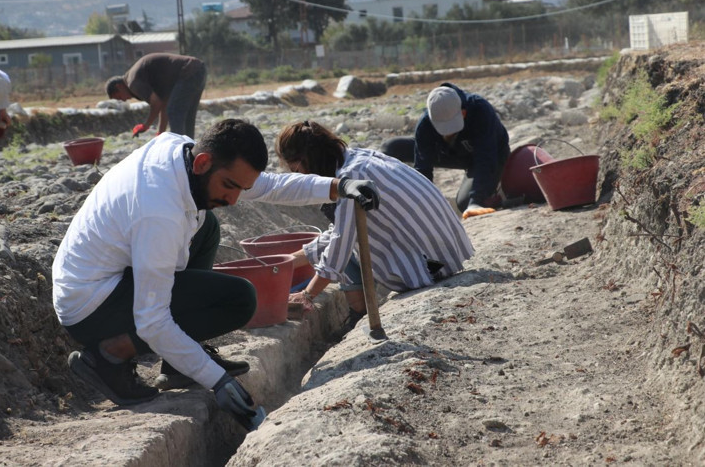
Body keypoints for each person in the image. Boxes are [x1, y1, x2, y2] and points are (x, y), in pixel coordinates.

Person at [51, 119, 379, 430]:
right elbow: (152, 319)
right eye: (230, 186)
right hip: (91, 305)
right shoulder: (158, 213)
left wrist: (338, 186)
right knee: (238, 300)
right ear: (202, 163)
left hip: (110, 274)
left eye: (240, 188)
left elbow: (269, 186)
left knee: (207, 225)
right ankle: (109, 355)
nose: (234, 199)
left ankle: (177, 361)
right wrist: (216, 381)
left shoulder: (184, 154)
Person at [277, 120, 474, 333]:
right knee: (347, 238)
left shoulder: (351, 178)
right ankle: (358, 316)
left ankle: (359, 315)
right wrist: (284, 263)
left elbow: (340, 242)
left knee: (349, 247)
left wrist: (306, 295)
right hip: (444, 252)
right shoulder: (357, 159)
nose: (301, 177)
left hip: (429, 267)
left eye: (295, 169)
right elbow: (338, 232)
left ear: (307, 161)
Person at [380, 83, 510, 220]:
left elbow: (486, 157)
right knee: (391, 147)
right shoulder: (425, 123)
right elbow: (423, 166)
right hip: (451, 153)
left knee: (466, 204)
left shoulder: (481, 111)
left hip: (491, 155)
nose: (449, 134)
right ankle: (384, 198)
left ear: (463, 112)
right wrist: (422, 203)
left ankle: (496, 189)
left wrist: (475, 201)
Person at [105, 53, 206, 139]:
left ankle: (180, 151)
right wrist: (160, 133)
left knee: (174, 112)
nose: (123, 100)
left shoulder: (133, 83)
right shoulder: (136, 78)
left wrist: (146, 125)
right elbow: (164, 104)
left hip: (188, 72)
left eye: (119, 97)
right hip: (198, 69)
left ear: (119, 86)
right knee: (187, 116)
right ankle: (189, 153)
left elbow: (156, 103)